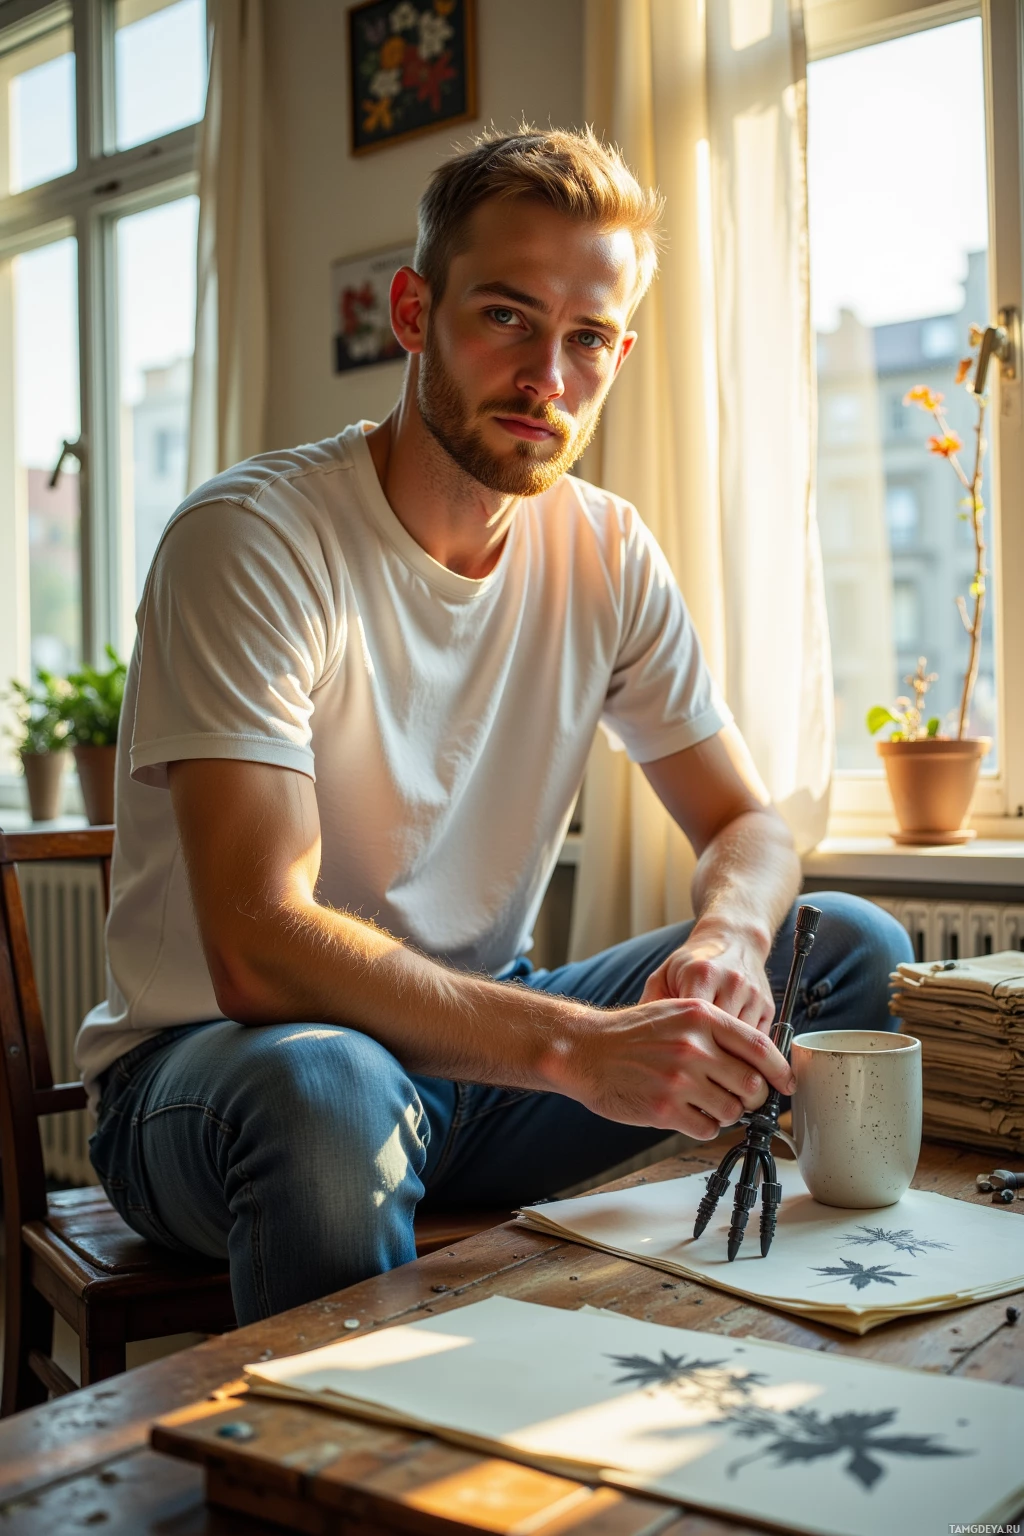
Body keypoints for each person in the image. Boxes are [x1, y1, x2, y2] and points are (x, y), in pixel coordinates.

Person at [78, 127, 912, 1325]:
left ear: (619, 353)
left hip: (476, 1072)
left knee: (843, 945)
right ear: (414, 312)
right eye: (507, 318)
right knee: (330, 1083)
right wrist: (579, 1050)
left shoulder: (607, 549)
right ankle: (360, 1479)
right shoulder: (252, 538)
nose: (546, 379)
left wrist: (728, 937)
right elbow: (257, 944)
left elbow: (747, 822)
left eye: (585, 340)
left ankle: (772, 1341)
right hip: (221, 1079)